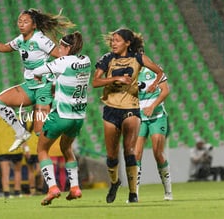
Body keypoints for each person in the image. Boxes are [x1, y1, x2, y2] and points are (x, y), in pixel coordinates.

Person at [0, 8, 75, 152]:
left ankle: (66, 131)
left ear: (34, 25)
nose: (21, 24)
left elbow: (60, 57)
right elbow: (5, 47)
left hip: (43, 87)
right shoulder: (20, 39)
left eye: (26, 22)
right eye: (20, 21)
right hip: (30, 86)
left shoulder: (40, 39)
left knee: (39, 132)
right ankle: (21, 132)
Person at [92, 28, 164, 204]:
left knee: (129, 151)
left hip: (131, 108)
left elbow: (160, 72)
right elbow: (95, 82)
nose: (113, 43)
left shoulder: (138, 58)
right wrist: (114, 80)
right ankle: (115, 182)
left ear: (127, 42)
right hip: (110, 109)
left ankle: (133, 194)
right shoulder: (107, 59)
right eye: (112, 40)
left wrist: (154, 84)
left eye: (117, 40)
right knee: (111, 155)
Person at [32, 31, 91, 206]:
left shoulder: (62, 62)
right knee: (66, 148)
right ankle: (75, 187)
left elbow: (37, 71)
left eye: (60, 46)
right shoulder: (85, 60)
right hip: (78, 116)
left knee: (42, 149)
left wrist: (38, 75)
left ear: (67, 47)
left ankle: (52, 187)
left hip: (61, 115)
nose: (58, 49)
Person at [134, 66, 173, 200]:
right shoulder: (128, 72)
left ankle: (168, 191)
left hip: (157, 117)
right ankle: (134, 194)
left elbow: (165, 90)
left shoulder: (154, 71)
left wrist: (152, 106)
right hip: (139, 119)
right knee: (136, 155)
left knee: (158, 153)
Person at [0, 115, 24, 199]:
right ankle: (17, 192)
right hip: (16, 148)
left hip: (3, 149)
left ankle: (6, 193)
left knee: (5, 173)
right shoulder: (18, 119)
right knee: (17, 171)